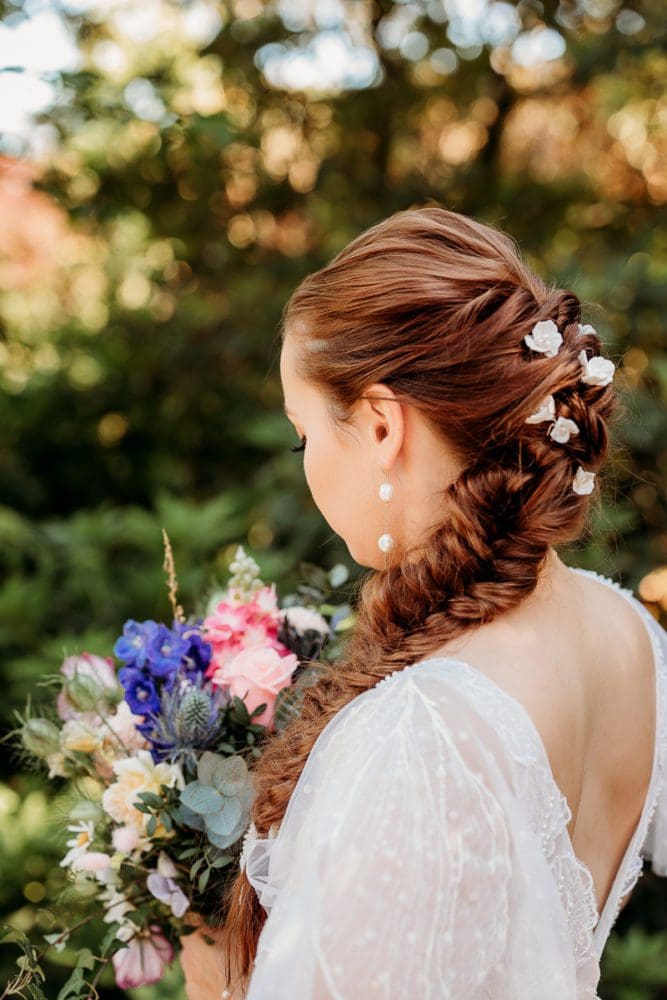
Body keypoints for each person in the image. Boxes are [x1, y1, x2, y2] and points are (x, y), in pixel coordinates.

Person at [180, 206, 667, 998]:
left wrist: (216, 984)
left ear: (379, 427)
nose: (306, 466)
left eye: (304, 435)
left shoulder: (424, 729)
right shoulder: (629, 636)